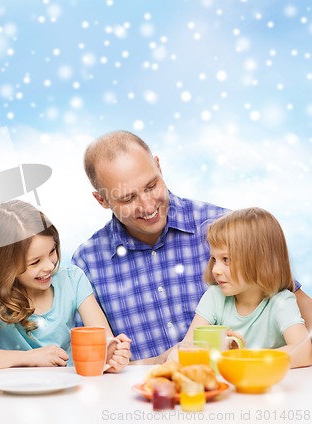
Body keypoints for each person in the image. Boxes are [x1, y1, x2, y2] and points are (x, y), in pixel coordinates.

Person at [72, 130, 312, 363]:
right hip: (140, 397)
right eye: (128, 198)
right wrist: (157, 363)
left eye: (151, 186)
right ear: (101, 199)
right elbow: (92, 363)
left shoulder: (224, 229)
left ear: (159, 166)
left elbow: (295, 307)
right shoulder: (87, 263)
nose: (147, 206)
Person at [0, 199, 131, 372]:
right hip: (15, 395)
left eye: (52, 251)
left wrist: (111, 356)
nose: (49, 266)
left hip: (69, 390)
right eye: (35, 262)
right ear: (6, 266)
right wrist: (29, 358)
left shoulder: (72, 280)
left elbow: (103, 340)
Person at [177, 207, 311, 369]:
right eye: (214, 259)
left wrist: (245, 358)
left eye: (226, 259)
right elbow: (187, 348)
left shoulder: (281, 302)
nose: (215, 270)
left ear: (260, 261)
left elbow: (304, 352)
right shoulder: (214, 296)